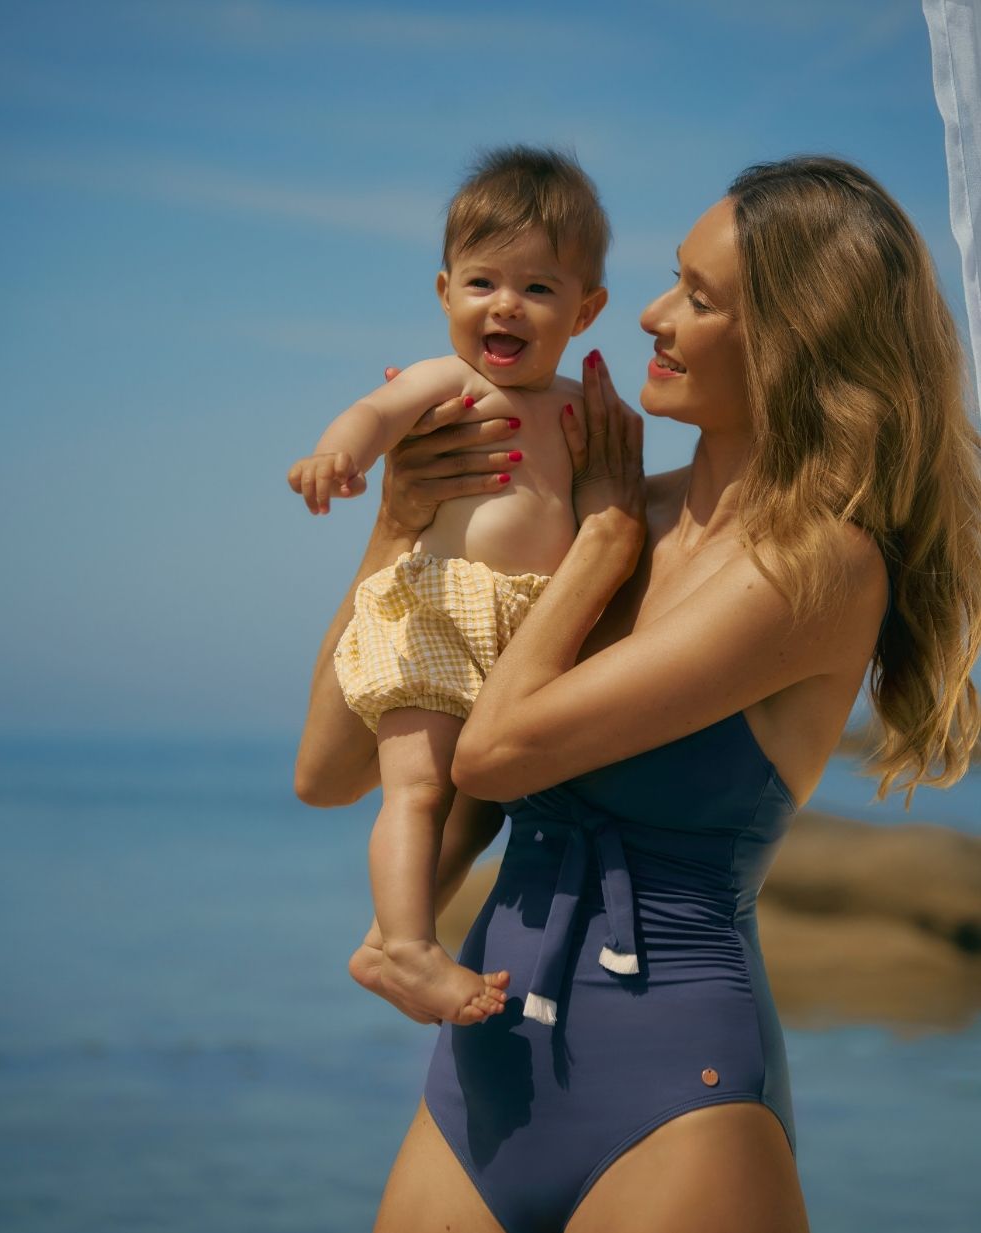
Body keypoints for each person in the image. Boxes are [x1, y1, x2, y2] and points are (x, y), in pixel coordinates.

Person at [294, 156, 981, 1232]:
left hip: (672, 1099)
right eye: (672, 280)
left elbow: (494, 754)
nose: (655, 316)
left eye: (699, 299)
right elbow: (330, 773)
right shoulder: (599, 515)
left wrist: (599, 544)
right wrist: (399, 524)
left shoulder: (814, 567)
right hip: (480, 1080)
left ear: (794, 341)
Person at [287, 147, 609, 1026]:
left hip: (524, 630)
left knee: (478, 813)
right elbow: (373, 414)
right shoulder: (450, 382)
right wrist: (339, 455)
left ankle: (390, 935)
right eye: (482, 282)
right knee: (418, 791)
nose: (505, 305)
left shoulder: (582, 404)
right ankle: (410, 947)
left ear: (586, 310)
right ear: (444, 293)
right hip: (440, 612)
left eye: (539, 289)